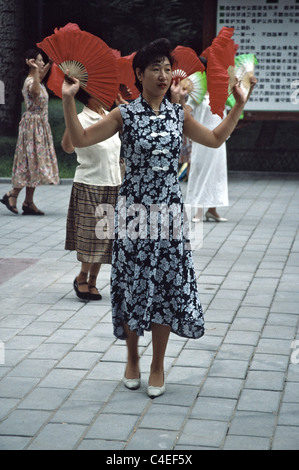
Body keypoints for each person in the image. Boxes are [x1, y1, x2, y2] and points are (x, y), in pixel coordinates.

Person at [61, 38, 256, 398]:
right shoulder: (125, 114)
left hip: (169, 215)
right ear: (139, 73)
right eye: (156, 68)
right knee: (133, 284)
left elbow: (214, 139)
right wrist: (70, 99)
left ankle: (157, 365)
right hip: (132, 213)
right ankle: (133, 357)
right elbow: (80, 139)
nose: (164, 75)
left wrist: (237, 107)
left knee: (166, 287)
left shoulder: (178, 114)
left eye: (168, 68)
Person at [61, 88, 123, 301]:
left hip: (113, 184)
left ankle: (94, 280)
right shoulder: (81, 118)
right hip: (90, 184)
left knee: (106, 238)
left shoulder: (110, 116)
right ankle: (82, 277)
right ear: (90, 94)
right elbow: (67, 147)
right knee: (92, 238)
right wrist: (71, 117)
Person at [0, 49, 59, 216]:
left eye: (42, 61)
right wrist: (34, 69)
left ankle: (27, 201)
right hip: (32, 128)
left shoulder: (37, 79)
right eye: (39, 60)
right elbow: (35, 93)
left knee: (35, 163)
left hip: (39, 126)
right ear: (31, 62)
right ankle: (14, 195)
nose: (41, 63)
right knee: (31, 162)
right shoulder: (30, 81)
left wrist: (51, 62)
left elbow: (42, 75)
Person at [185, 91, 229, 223]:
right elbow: (185, 112)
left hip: (218, 139)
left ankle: (212, 210)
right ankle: (198, 211)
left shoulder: (221, 93)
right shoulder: (197, 94)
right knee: (200, 172)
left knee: (217, 173)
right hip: (201, 136)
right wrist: (181, 97)